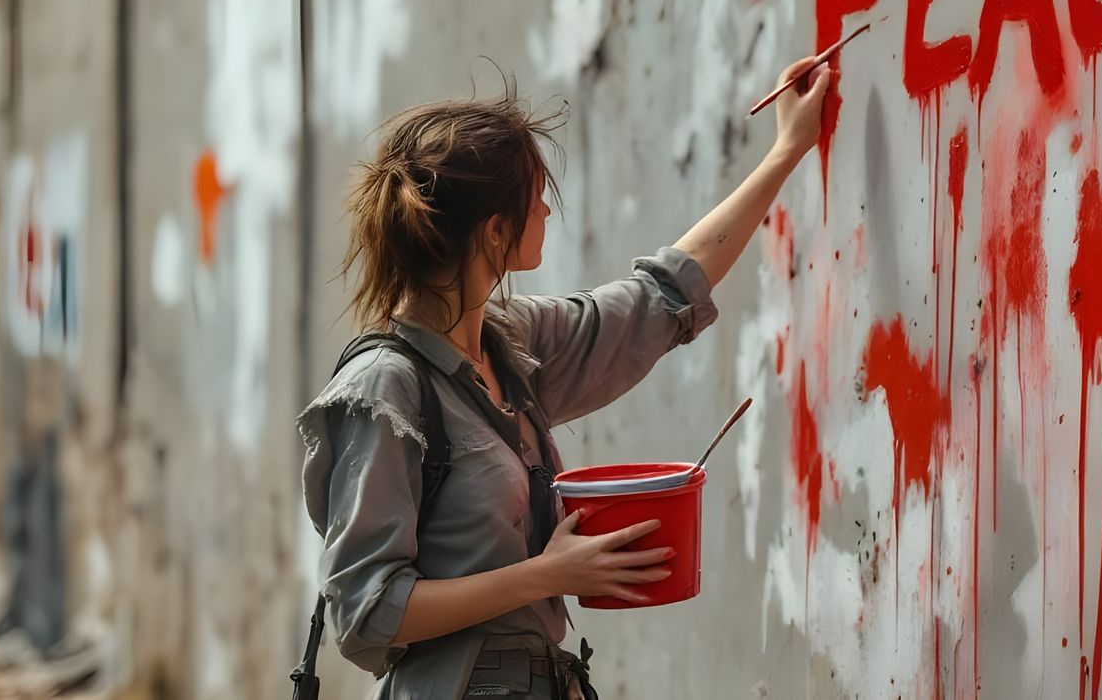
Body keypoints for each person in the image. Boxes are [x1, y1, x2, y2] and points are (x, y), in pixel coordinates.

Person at [297, 56, 832, 699]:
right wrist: (545, 576)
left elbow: (659, 296)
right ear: (495, 233)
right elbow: (365, 614)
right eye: (533, 197)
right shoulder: (385, 386)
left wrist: (786, 150)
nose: (547, 210)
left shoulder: (509, 340)